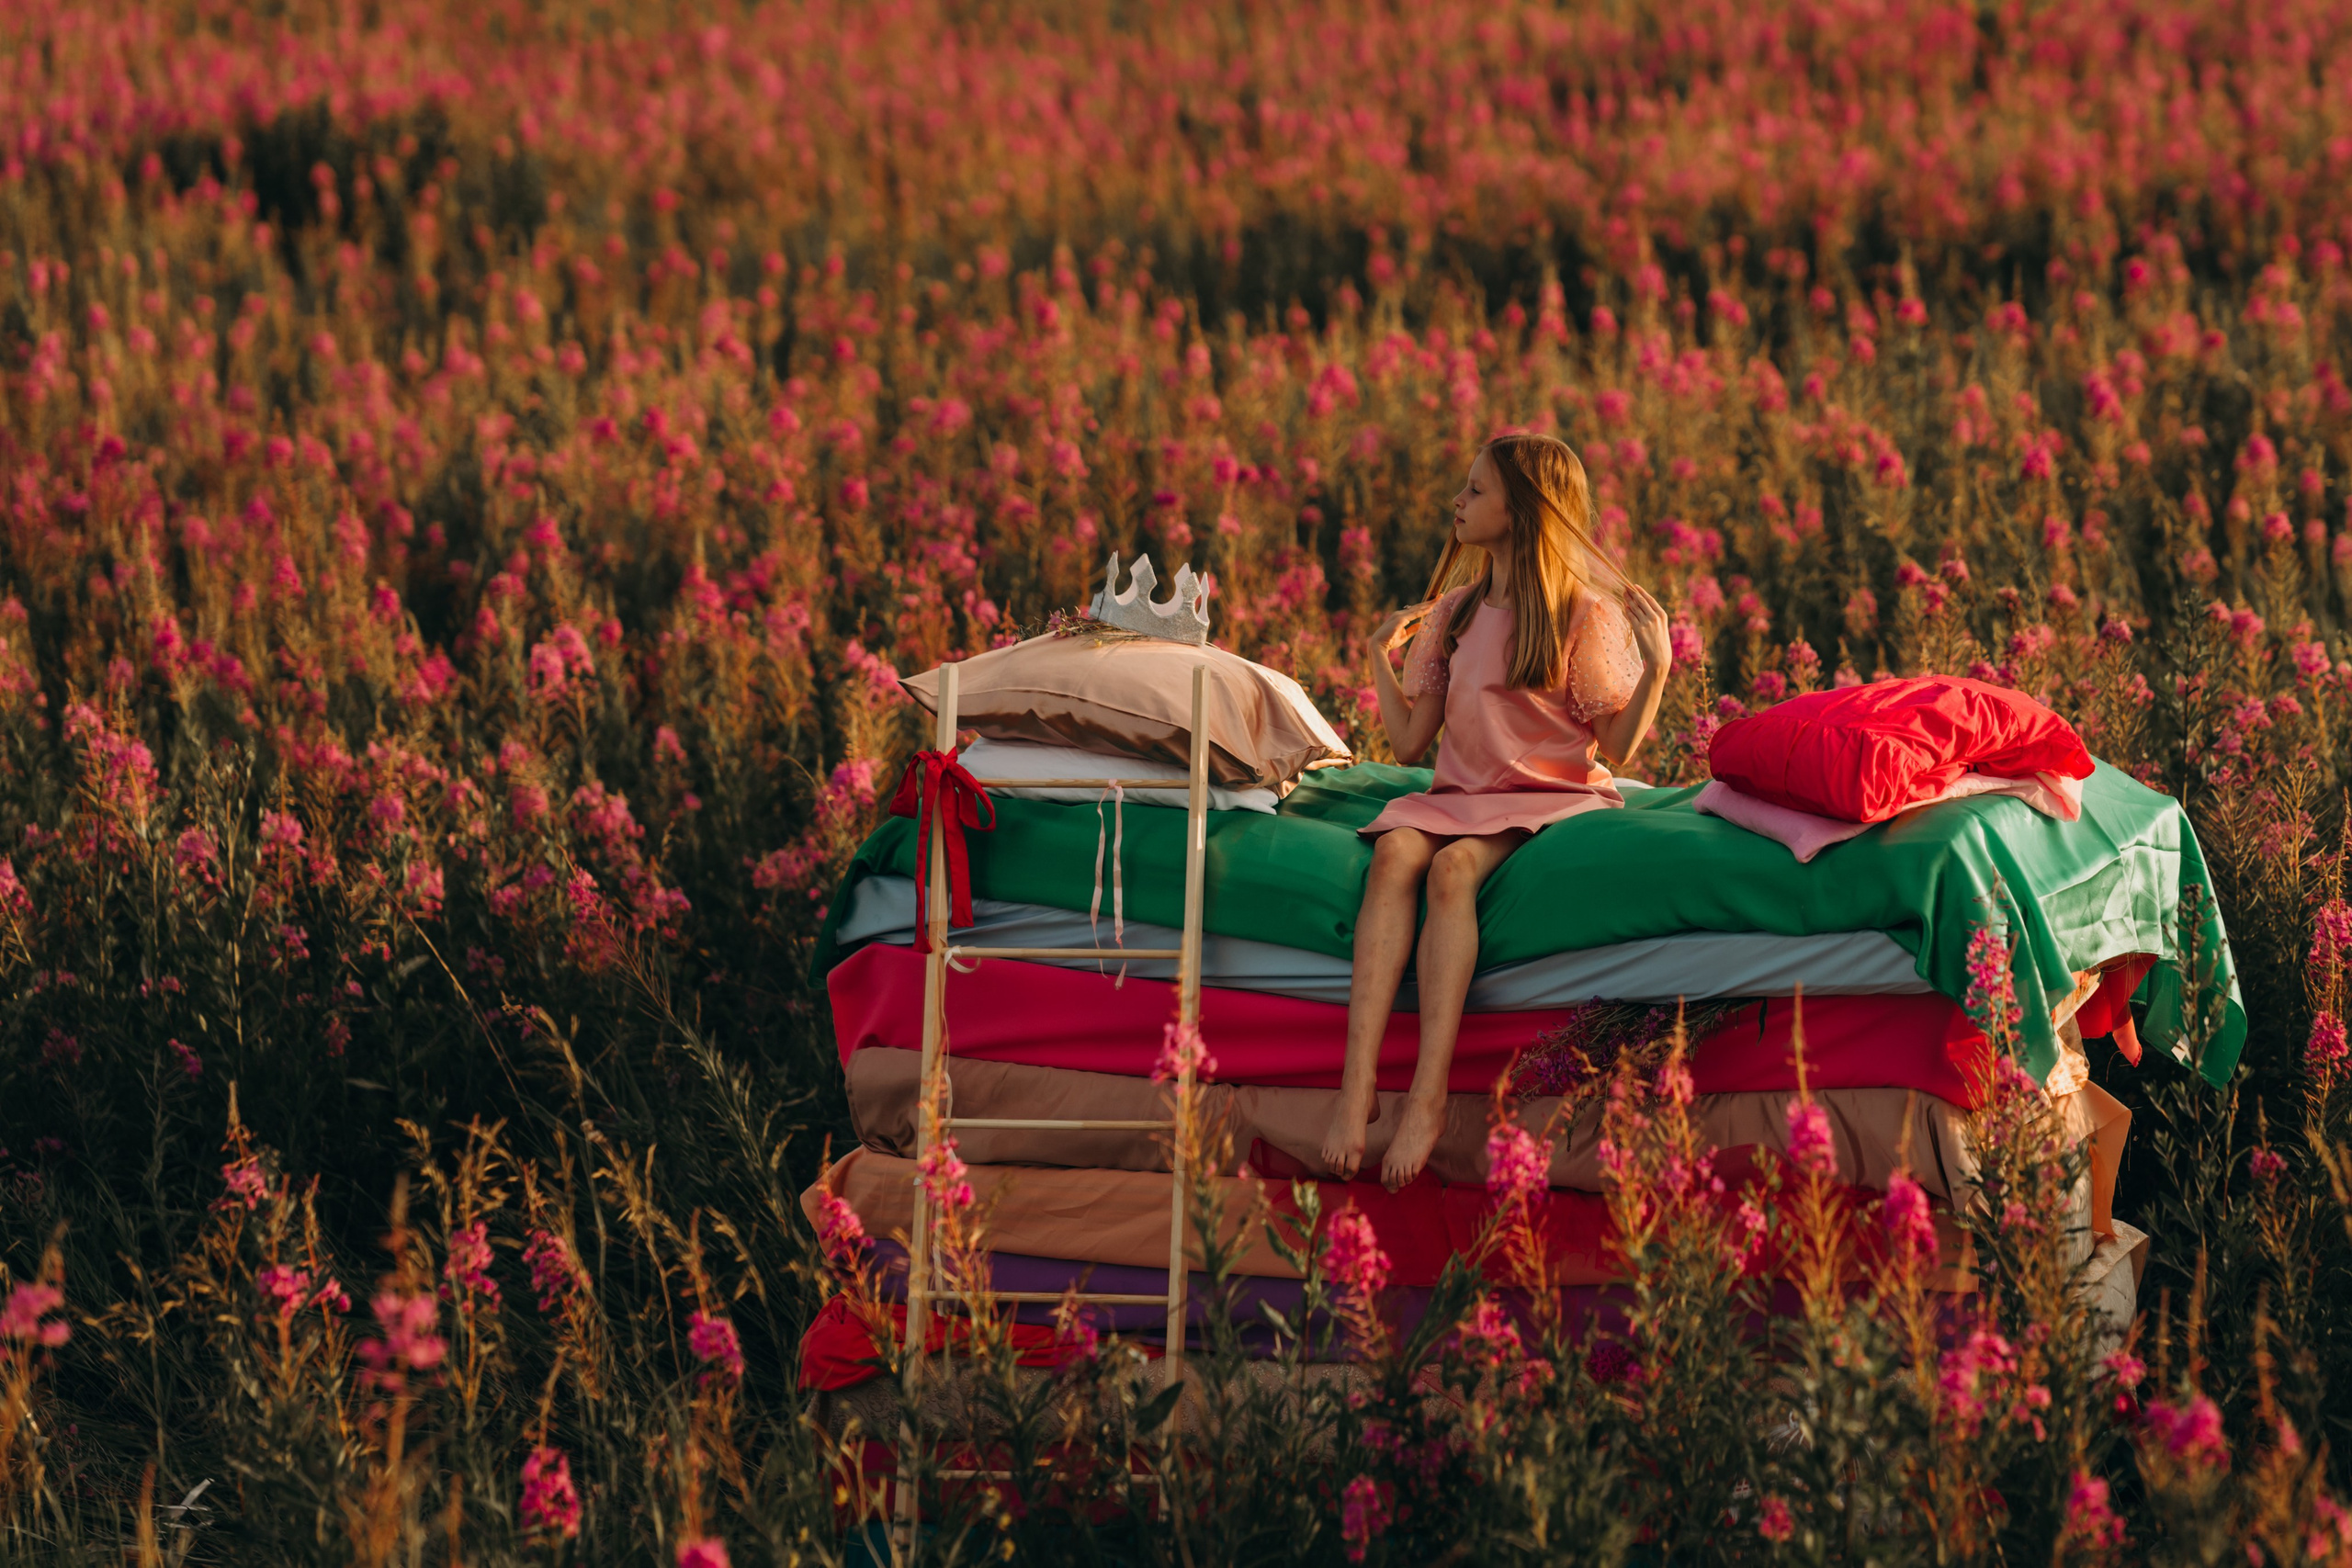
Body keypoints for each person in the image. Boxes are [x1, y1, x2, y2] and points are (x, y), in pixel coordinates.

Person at [1320, 433, 1673, 1186]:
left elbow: (1620, 744)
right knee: (1393, 854)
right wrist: (1382, 659)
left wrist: (1659, 669)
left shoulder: (1582, 614)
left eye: (1476, 490)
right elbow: (1413, 742)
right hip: (1459, 795)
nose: (1459, 500)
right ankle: (1357, 1088)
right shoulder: (1456, 610)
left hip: (1545, 798)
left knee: (1451, 873)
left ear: (1520, 512)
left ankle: (1426, 1096)